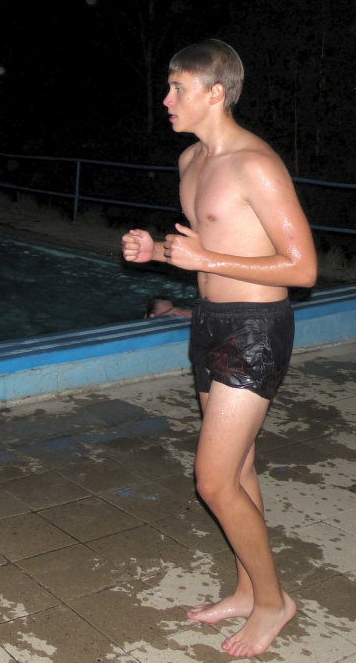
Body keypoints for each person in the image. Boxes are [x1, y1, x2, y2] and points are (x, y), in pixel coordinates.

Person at [122, 39, 317, 659]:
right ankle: (246, 589)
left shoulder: (256, 164)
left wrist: (204, 256)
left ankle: (273, 602)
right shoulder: (191, 160)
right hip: (209, 322)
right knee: (238, 471)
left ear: (214, 93)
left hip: (255, 330)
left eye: (177, 88)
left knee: (212, 481)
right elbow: (205, 253)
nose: (166, 99)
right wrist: (158, 252)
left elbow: (303, 268)